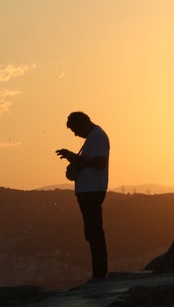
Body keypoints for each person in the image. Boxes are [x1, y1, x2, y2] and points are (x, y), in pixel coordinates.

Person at [56, 111, 110, 282]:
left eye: (75, 130)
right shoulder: (93, 138)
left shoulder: (98, 136)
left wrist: (74, 157)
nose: (75, 134)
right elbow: (90, 161)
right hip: (88, 189)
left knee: (94, 231)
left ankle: (99, 273)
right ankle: (98, 272)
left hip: (92, 190)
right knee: (92, 231)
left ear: (83, 123)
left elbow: (100, 163)